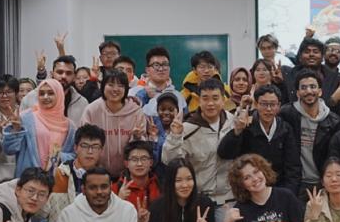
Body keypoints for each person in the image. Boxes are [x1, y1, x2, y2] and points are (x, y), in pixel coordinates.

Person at [162, 78, 236, 207]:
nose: (210, 103)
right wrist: (175, 136)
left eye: (215, 98)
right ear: (199, 101)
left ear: (223, 100)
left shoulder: (234, 123)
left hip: (229, 197)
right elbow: (169, 160)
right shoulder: (187, 128)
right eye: (205, 98)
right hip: (199, 197)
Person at [218, 84, 301, 193]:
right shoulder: (246, 125)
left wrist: (286, 194)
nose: (268, 109)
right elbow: (224, 153)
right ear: (256, 104)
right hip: (250, 189)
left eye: (273, 104)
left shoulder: (285, 129)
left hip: (279, 189)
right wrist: (237, 131)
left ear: (279, 106)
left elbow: (293, 167)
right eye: (264, 104)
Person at [279, 70, 340, 197]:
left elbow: (335, 156)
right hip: (296, 183)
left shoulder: (333, 121)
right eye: (303, 88)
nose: (308, 91)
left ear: (320, 91)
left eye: (313, 86)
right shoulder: (286, 114)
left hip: (323, 183)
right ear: (297, 93)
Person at [3, 78, 76, 177]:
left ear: (59, 95)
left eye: (51, 93)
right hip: (29, 179)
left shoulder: (69, 126)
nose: (45, 97)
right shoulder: (26, 118)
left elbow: (74, 155)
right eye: (41, 94)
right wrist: (16, 130)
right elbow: (9, 149)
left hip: (56, 180)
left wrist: (59, 157)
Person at [41, 123, 106, 222]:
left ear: (101, 150)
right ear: (75, 148)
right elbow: (41, 213)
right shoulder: (59, 174)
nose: (90, 151)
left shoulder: (104, 179)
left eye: (95, 147)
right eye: (84, 146)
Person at [81, 70, 145, 177]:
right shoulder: (91, 110)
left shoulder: (136, 112)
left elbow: (142, 147)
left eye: (120, 86)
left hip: (128, 173)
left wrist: (137, 137)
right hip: (96, 172)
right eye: (110, 85)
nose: (115, 89)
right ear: (102, 86)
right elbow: (84, 143)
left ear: (126, 89)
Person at [285, 37, 340, 109]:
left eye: (315, 52)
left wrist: (334, 101)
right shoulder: (288, 75)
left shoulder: (336, 80)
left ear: (322, 56)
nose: (311, 54)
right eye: (307, 52)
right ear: (300, 56)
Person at [22, 56, 88, 125]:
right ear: (52, 74)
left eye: (68, 73)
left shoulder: (82, 103)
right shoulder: (31, 98)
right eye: (60, 72)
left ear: (74, 77)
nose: (63, 76)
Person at [138, 47, 188, 115]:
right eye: (156, 65)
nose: (161, 69)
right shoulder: (137, 93)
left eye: (165, 65)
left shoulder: (179, 97)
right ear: (147, 70)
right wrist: (146, 98)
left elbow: (185, 119)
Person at [114, 140, 161, 211]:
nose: (139, 164)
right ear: (126, 164)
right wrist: (119, 200)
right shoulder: (115, 189)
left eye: (144, 159)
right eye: (134, 159)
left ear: (151, 162)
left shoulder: (161, 186)